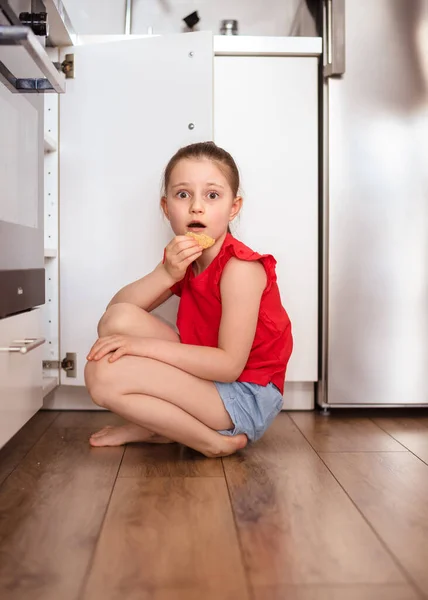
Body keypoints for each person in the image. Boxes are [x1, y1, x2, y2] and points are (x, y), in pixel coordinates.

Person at [84, 141, 293, 458]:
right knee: (118, 320)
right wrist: (166, 274)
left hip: (246, 396)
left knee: (101, 376)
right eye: (183, 195)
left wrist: (140, 348)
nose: (197, 207)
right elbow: (113, 316)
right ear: (166, 207)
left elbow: (229, 367)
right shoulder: (185, 259)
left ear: (233, 207)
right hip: (209, 379)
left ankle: (211, 442)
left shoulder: (240, 269)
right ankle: (162, 429)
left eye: (212, 195)